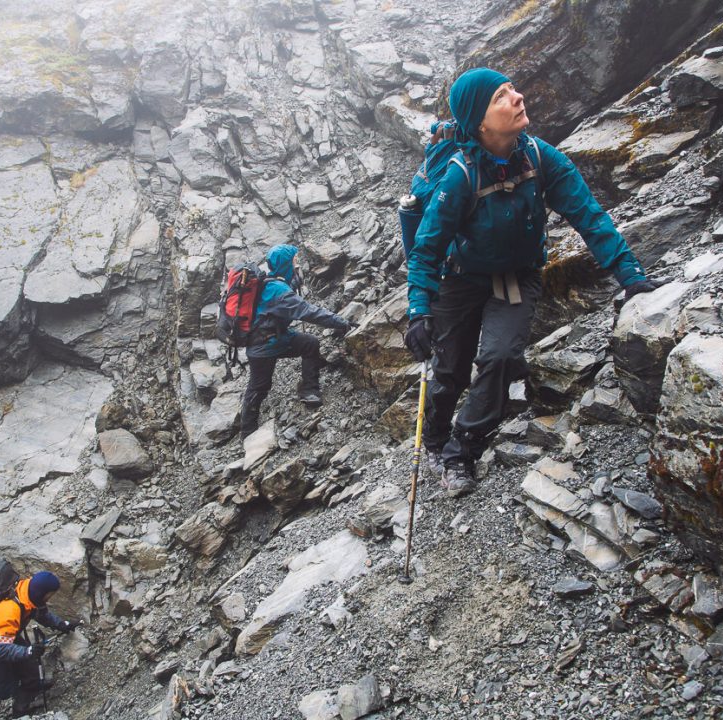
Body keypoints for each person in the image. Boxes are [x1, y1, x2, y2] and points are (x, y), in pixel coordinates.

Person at [404, 67, 659, 498]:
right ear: (480, 122)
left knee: (501, 357)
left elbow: (588, 216)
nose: (518, 97)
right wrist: (419, 310)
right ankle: (432, 439)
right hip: (461, 279)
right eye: (502, 96)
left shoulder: (540, 156)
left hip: (516, 275)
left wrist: (630, 274)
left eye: (513, 89)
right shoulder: (459, 175)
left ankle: (460, 451)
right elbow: (427, 248)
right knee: (449, 369)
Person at [241, 243, 352, 439]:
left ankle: (309, 391)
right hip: (265, 346)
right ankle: (248, 433)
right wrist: (341, 322)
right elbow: (309, 312)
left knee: (309, 343)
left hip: (267, 341)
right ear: (285, 264)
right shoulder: (278, 291)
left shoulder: (271, 282)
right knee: (260, 386)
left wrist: (294, 281)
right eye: (294, 261)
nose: (297, 264)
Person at [0, 571, 79, 719]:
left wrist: (61, 624)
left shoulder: (28, 592)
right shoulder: (9, 610)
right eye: (49, 595)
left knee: (31, 673)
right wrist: (28, 651)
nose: (49, 599)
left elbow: (40, 613)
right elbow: (0, 648)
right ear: (41, 593)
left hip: (8, 637)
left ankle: (20, 711)